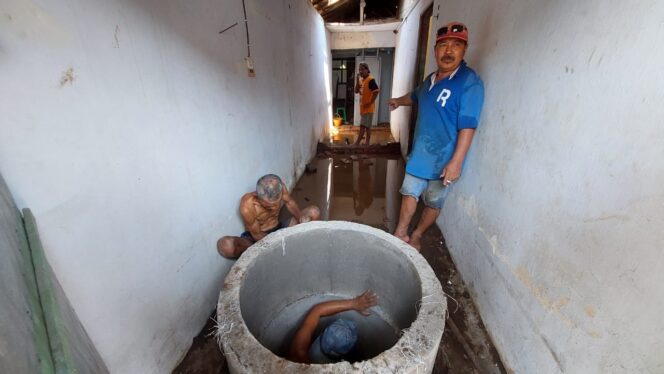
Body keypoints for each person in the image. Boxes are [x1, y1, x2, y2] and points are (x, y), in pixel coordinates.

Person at [387, 22, 485, 251]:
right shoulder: (430, 80)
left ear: (464, 49)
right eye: (443, 45)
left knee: (433, 201)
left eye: (456, 45)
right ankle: (401, 233)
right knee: (409, 193)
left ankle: (418, 234)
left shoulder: (470, 83)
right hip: (421, 153)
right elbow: (414, 97)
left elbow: (468, 125)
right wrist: (397, 102)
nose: (449, 51)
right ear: (435, 50)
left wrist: (456, 162)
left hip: (445, 159)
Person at [217, 174, 320, 258]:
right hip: (258, 238)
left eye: (277, 203)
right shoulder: (247, 205)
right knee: (226, 245)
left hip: (280, 228)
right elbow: (256, 234)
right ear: (259, 199)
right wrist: (278, 244)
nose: (275, 207)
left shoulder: (279, 187)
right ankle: (255, 253)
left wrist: (301, 217)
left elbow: (290, 203)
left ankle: (283, 247)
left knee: (314, 212)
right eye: (270, 206)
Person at [288, 290, 378, 364]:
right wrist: (354, 304)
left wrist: (354, 303)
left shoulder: (299, 354)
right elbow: (317, 311)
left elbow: (317, 311)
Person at [354, 63, 380, 145]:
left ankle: (357, 143)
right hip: (363, 108)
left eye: (362, 69)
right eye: (359, 70)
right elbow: (356, 91)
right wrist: (357, 80)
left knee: (363, 126)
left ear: (367, 70)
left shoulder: (370, 79)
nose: (360, 71)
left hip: (368, 108)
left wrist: (370, 102)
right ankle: (367, 143)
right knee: (368, 126)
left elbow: (376, 91)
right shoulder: (362, 80)